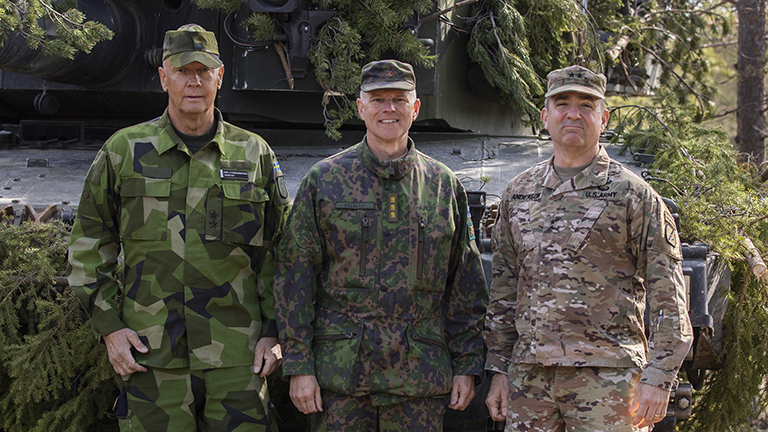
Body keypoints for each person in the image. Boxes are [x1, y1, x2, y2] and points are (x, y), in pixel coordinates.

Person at [66, 24, 290, 432]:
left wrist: (275, 331)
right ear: (163, 77)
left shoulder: (253, 153)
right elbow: (89, 244)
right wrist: (110, 328)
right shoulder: (124, 151)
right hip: (151, 355)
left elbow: (281, 250)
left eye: (203, 71)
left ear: (219, 77)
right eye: (183, 70)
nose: (194, 81)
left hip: (237, 359)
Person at [274, 59, 488, 431]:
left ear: (415, 108)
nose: (389, 108)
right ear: (361, 108)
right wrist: (299, 365)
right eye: (377, 99)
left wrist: (467, 365)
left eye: (399, 99)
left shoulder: (442, 186)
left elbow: (466, 284)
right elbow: (295, 278)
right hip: (340, 378)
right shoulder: (324, 181)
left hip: (418, 379)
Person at [483, 65, 693, 431]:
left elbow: (667, 292)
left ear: (603, 117)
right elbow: (504, 288)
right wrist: (499, 368)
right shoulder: (518, 193)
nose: (573, 113)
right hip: (530, 379)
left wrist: (660, 375)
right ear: (545, 116)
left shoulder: (633, 194)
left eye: (586, 104)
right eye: (562, 103)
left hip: (609, 377)